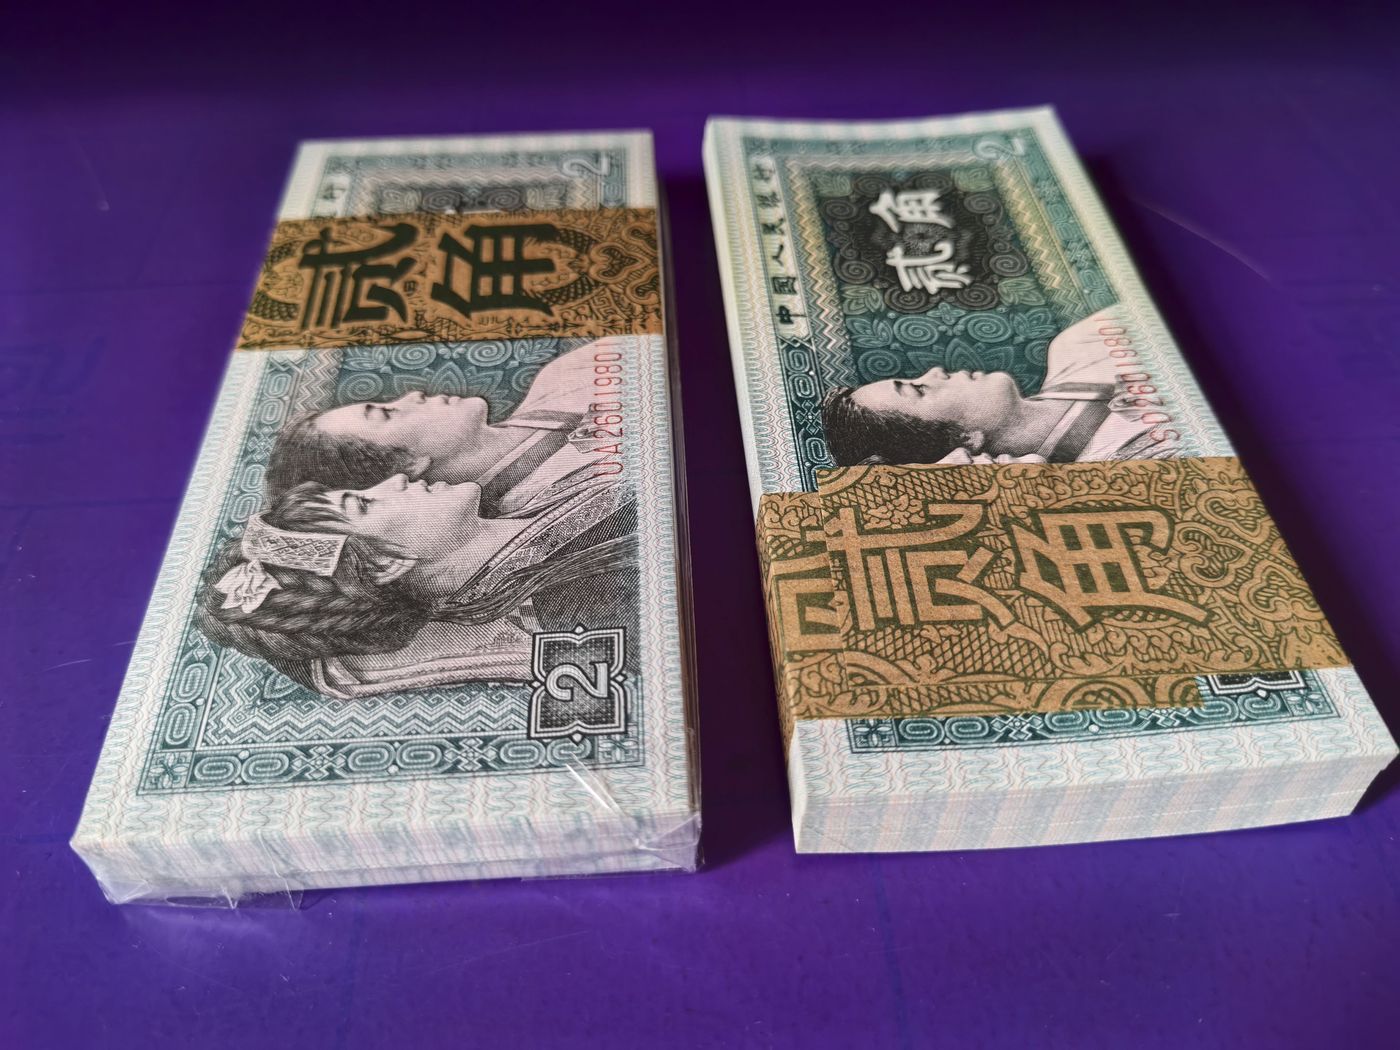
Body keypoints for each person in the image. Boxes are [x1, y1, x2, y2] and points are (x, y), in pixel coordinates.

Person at [197, 472, 634, 698]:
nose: (395, 481)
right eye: (364, 503)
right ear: (386, 564)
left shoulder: (531, 499)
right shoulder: (581, 605)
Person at [265, 337, 628, 515]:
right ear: (407, 466)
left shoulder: (561, 376)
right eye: (387, 414)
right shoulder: (542, 506)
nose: (411, 395)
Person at [821, 305, 1176, 466]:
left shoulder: (1077, 346)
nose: (934, 371)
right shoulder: (1112, 472)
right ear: (965, 439)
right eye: (920, 389)